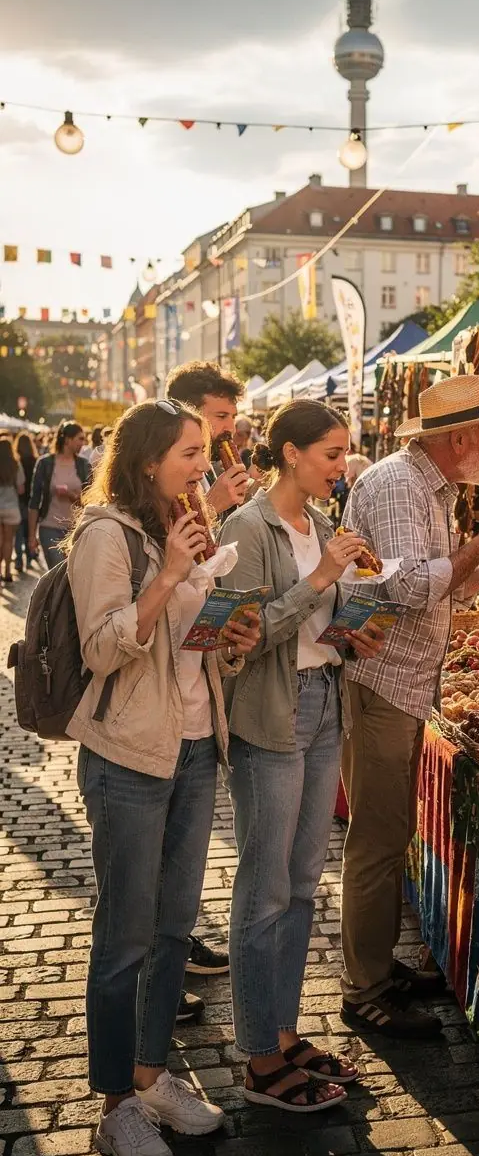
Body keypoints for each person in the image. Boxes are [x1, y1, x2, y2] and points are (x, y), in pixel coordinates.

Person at [64, 400, 260, 1156]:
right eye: (189, 452)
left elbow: (193, 647)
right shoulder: (104, 536)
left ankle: (152, 1074)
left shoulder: (187, 528)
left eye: (204, 453)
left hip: (191, 749)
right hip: (126, 760)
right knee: (124, 938)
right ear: (148, 460)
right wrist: (174, 575)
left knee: (176, 925)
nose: (202, 467)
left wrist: (230, 637)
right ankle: (115, 1106)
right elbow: (105, 649)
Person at [339, 376, 479, 1038]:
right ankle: (363, 987)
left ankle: (377, 964)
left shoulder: (428, 484)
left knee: (389, 833)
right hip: (381, 685)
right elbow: (403, 588)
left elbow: (435, 577)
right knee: (375, 840)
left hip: (400, 682)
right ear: (457, 438)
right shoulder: (401, 484)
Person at [218, 402, 385, 1110]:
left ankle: (283, 1032)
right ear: (289, 453)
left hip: (324, 700)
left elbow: (319, 623)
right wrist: (319, 581)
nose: (341, 465)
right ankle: (258, 1056)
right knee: (265, 888)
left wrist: (355, 631)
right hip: (272, 709)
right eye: (329, 453)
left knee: (305, 879)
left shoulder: (320, 524)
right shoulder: (247, 527)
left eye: (344, 452)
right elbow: (240, 637)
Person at [165, 361, 251, 977]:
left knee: (183, 852)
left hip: (198, 698)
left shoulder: (198, 482)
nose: (226, 432)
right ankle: (159, 970)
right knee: (157, 856)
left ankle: (173, 951)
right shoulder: (156, 492)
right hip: (158, 708)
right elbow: (170, 582)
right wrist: (216, 505)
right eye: (217, 418)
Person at [165, 361, 249, 518]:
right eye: (221, 416)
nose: (231, 428)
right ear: (188, 414)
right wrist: (211, 505)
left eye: (233, 416)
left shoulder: (210, 472)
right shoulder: (162, 475)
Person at [28, 421, 91, 569]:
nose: (83, 443)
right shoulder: (45, 463)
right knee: (57, 571)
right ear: (68, 440)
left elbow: (91, 500)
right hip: (49, 526)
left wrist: (73, 496)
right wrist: (31, 536)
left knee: (72, 575)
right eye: (80, 439)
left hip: (75, 529)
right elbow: (34, 501)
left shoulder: (83, 465)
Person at [0, 436, 24, 585]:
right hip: (11, 506)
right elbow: (21, 489)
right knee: (9, 541)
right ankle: (7, 571)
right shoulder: (16, 464)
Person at [13, 431, 38, 572]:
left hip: (19, 500)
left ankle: (18, 560)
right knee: (30, 530)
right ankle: (29, 556)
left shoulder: (16, 461)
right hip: (32, 501)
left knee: (18, 532)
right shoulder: (35, 461)